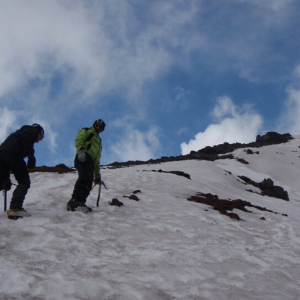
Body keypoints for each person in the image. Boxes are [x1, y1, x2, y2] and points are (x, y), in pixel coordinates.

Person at [0, 123, 44, 218]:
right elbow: (27, 140)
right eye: (40, 137)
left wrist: (5, 178)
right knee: (24, 181)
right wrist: (31, 156)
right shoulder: (31, 130)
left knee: (2, 182)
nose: (38, 141)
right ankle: (15, 208)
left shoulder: (18, 133)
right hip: (14, 154)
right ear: (39, 132)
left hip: (2, 154)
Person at [66, 119, 105, 213]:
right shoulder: (87, 131)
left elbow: (97, 160)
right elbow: (79, 140)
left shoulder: (99, 142)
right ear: (94, 125)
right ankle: (74, 201)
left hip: (91, 162)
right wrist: (81, 151)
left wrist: (97, 174)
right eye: (97, 125)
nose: (98, 127)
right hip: (84, 157)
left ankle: (80, 202)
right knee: (84, 178)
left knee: (88, 182)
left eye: (100, 126)